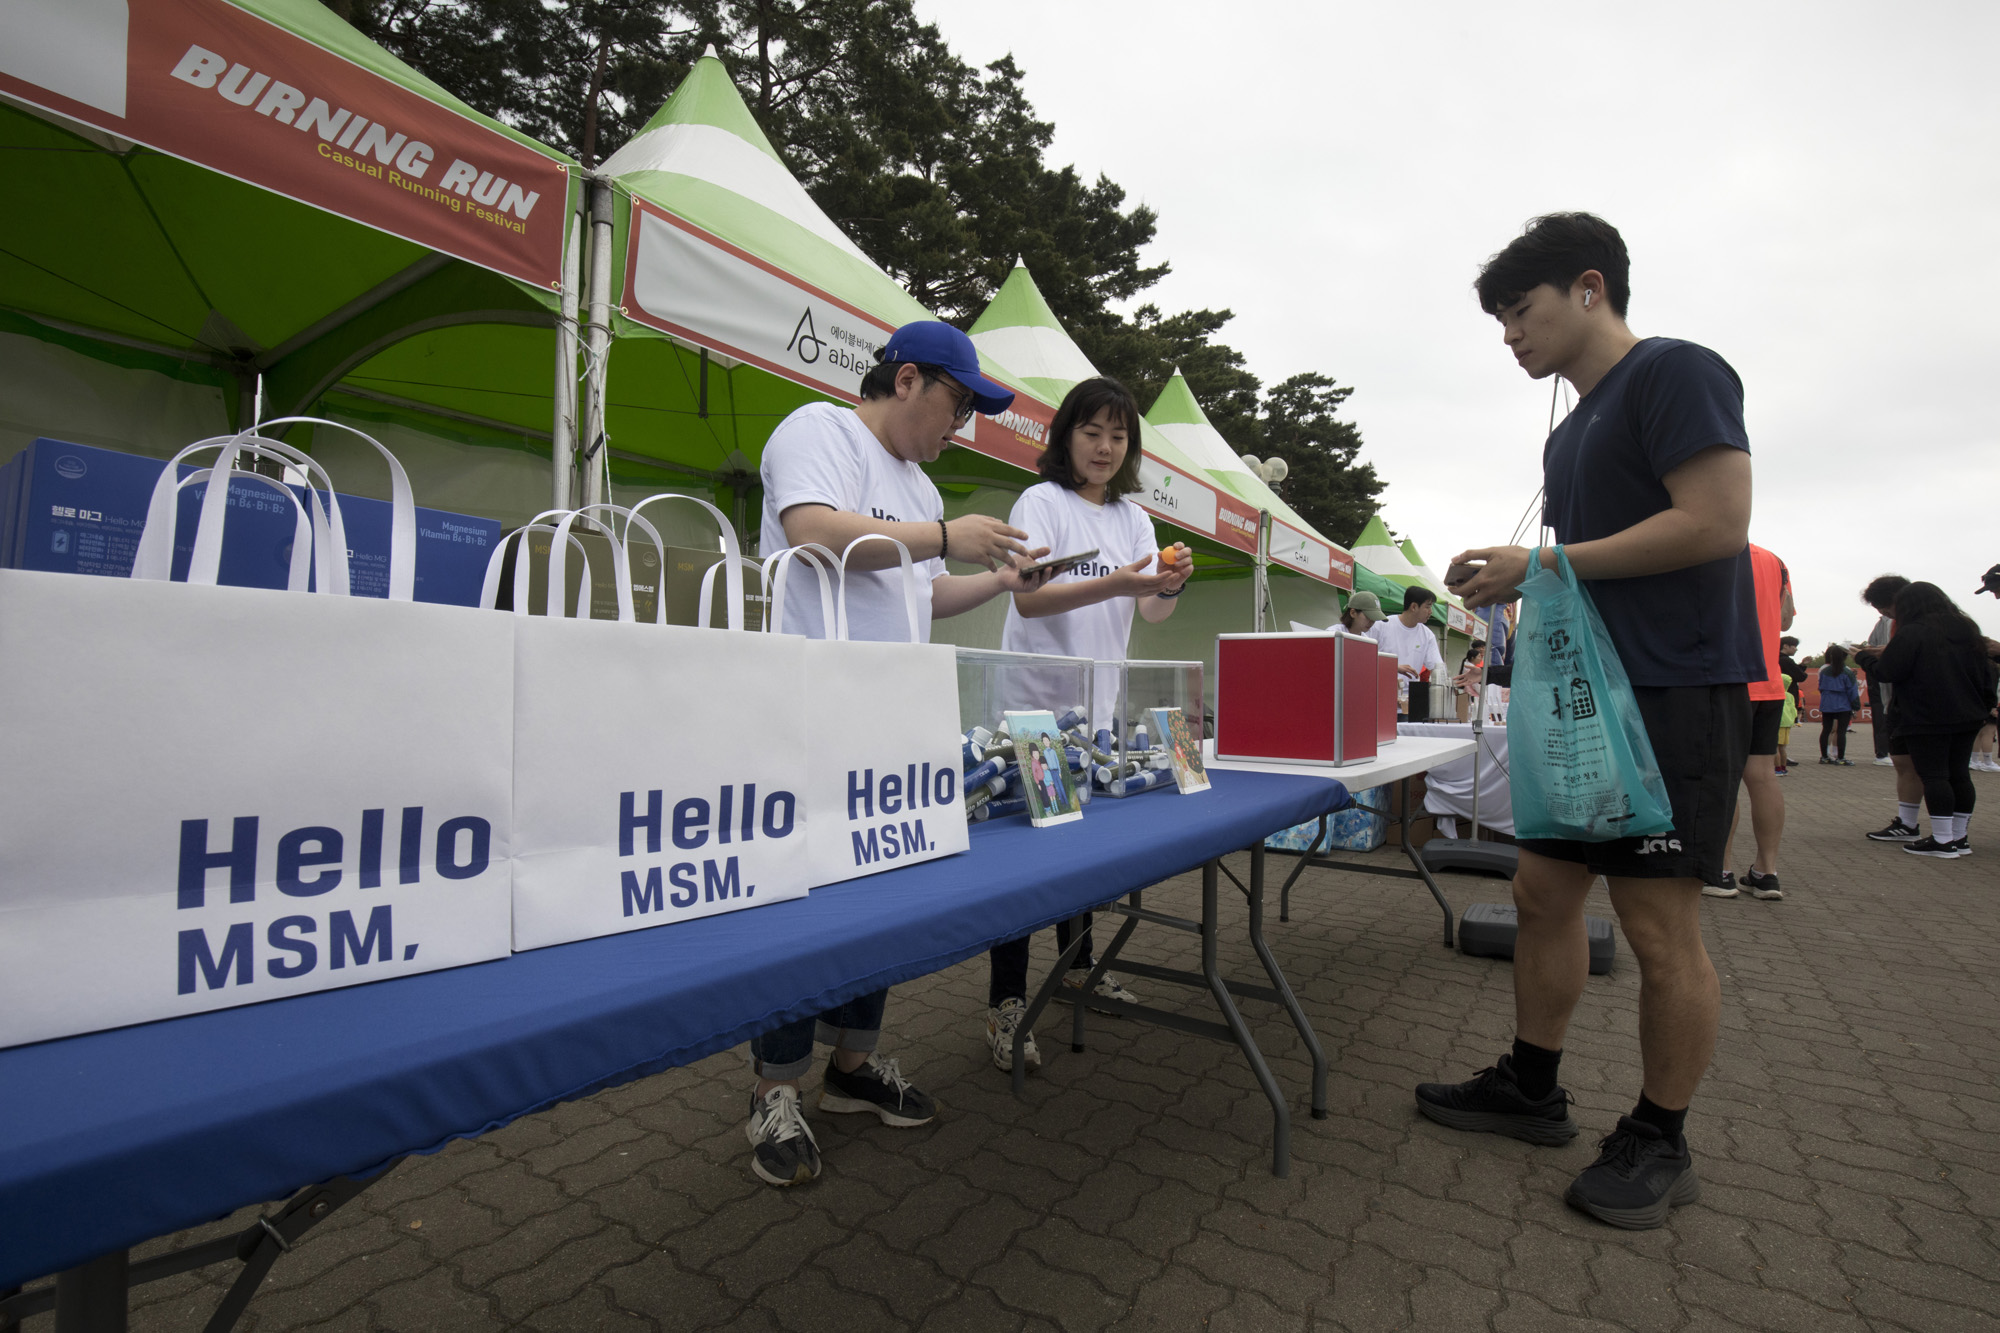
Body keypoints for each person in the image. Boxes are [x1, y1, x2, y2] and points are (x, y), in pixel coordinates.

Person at [1420, 213, 1759, 1230]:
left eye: (1517, 312)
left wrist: (1548, 563)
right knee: (1539, 889)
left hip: (1671, 688)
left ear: (1586, 287)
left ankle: (1661, 1135)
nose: (1509, 336)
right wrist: (1516, 571)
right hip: (1585, 696)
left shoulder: (1674, 372)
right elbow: (1586, 560)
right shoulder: (1567, 429)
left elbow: (1713, 520)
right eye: (1497, 321)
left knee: (1657, 924)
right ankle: (1532, 1086)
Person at [748, 319, 1056, 1186]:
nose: (958, 425)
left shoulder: (920, 488)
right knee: (806, 907)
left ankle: (852, 1065)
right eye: (958, 404)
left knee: (881, 900)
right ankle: (775, 1086)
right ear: (910, 379)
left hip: (889, 723)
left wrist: (997, 579)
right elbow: (811, 526)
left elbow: (922, 596)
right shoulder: (821, 431)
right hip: (806, 711)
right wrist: (946, 536)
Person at [982, 376, 1191, 1072]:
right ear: (1066, 434)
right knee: (1027, 862)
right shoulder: (1040, 501)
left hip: (1099, 715)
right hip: (1036, 712)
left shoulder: (1133, 518)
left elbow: (1151, 613)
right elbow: (1032, 602)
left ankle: (1078, 967)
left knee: (1085, 852)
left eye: (1119, 435)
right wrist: (1124, 582)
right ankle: (1006, 1004)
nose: (1105, 447)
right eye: (1092, 431)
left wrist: (1167, 583)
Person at [1858, 582, 1997, 857]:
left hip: (1926, 716)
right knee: (1959, 775)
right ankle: (1960, 838)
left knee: (1934, 776)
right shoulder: (1967, 629)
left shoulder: (1913, 632)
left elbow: (1889, 672)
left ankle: (1942, 841)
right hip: (1968, 715)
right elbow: (1987, 671)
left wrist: (1864, 658)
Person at [1705, 544, 1792, 901]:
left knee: (1723, 777)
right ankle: (1766, 871)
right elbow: (1785, 619)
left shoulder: (1708, 549)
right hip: (1769, 682)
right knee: (1762, 776)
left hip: (1727, 679)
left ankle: (1720, 870)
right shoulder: (1775, 561)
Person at [1857, 575, 1927, 839]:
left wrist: (1872, 658)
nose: (1883, 613)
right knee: (1903, 764)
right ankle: (1908, 824)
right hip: (1897, 705)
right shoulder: (1889, 623)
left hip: (1920, 707)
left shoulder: (1925, 624)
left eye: (1884, 607)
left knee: (1936, 772)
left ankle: (1949, 835)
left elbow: (1897, 665)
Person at [1370, 586, 1447, 720]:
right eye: (1428, 607)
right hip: (1380, 700)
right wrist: (1394, 667)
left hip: (1410, 704)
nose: (1431, 611)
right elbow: (1364, 655)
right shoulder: (1382, 625)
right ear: (1414, 607)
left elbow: (1437, 667)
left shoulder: (1427, 634)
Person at [1861, 575, 1908, 769]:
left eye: (1881, 606)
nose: (1882, 611)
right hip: (1886, 684)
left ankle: (1883, 752)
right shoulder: (1885, 621)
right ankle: (1882, 752)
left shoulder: (1903, 621)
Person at [1817, 644, 1861, 764]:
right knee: (1841, 731)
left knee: (1826, 730)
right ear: (1845, 657)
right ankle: (1840, 758)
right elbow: (1852, 690)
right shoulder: (1847, 672)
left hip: (1827, 704)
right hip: (1843, 704)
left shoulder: (1824, 671)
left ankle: (1824, 757)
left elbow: (1820, 687)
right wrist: (1856, 706)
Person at [1775, 635, 1805, 773]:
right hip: (1785, 717)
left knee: (1777, 744)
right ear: (1785, 646)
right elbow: (1800, 676)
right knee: (1780, 744)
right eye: (1794, 646)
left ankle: (1778, 765)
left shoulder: (1775, 659)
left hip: (1778, 709)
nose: (1796, 649)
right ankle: (1781, 765)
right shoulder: (1786, 661)